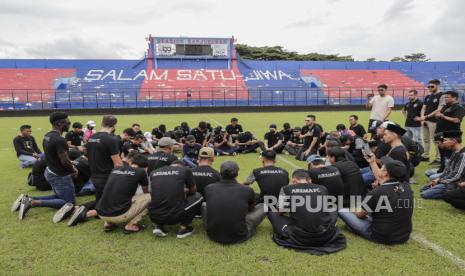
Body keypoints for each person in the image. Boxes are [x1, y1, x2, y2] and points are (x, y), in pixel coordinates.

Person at [61, 115, 122, 227]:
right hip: (107, 176)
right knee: (113, 202)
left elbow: (87, 156)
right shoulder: (111, 139)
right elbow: (118, 163)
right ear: (114, 125)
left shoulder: (92, 137)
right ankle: (88, 216)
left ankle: (75, 209)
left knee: (100, 202)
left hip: (94, 175)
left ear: (102, 123)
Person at [13, 112, 76, 220]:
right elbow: (65, 161)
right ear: (61, 123)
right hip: (59, 175)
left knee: (60, 196)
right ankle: (32, 203)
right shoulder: (60, 140)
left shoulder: (47, 135)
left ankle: (27, 198)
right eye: (68, 121)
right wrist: (73, 170)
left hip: (50, 171)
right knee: (69, 203)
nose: (70, 123)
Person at [267, 169, 346, 255]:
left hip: (299, 236)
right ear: (310, 180)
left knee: (272, 213)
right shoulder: (323, 188)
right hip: (324, 234)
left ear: (293, 180)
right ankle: (329, 225)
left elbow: (280, 211)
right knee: (333, 209)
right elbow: (324, 209)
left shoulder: (286, 189)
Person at [338, 157, 413, 245]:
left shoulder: (377, 192)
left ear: (385, 173)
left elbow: (360, 214)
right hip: (404, 236)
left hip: (381, 237)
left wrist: (360, 205)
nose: (379, 168)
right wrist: (372, 162)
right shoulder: (406, 187)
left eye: (382, 167)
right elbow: (387, 187)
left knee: (341, 209)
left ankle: (351, 227)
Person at [203, 161, 266, 244]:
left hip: (212, 234)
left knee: (204, 205)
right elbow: (251, 209)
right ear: (237, 173)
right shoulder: (247, 190)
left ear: (220, 172)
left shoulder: (209, 188)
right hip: (240, 235)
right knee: (265, 206)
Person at [96, 152, 150, 234]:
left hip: (101, 213)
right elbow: (145, 191)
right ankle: (131, 225)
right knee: (151, 197)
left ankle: (108, 223)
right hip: (119, 215)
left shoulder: (116, 169)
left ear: (130, 162)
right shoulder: (140, 172)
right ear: (145, 167)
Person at [149, 160, 203, 238]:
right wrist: (183, 190)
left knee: (158, 197)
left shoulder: (154, 172)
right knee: (198, 196)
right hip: (175, 216)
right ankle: (184, 228)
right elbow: (193, 191)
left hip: (154, 215)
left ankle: (158, 226)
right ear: (182, 167)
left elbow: (153, 191)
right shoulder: (185, 170)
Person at [420, 131, 465, 199]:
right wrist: (438, 179)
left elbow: (457, 175)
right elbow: (447, 170)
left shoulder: (463, 155)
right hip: (447, 180)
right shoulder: (454, 152)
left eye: (445, 140)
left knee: (424, 194)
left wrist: (440, 181)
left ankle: (451, 193)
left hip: (455, 183)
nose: (443, 142)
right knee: (423, 189)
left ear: (453, 141)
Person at [434, 91, 465, 172]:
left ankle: (448, 173)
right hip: (441, 134)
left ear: (454, 98)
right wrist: (438, 115)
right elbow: (439, 115)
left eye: (447, 97)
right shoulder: (446, 106)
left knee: (449, 156)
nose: (445, 98)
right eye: (445, 97)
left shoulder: (459, 108)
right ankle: (441, 171)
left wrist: (443, 116)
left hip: (451, 136)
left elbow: (457, 120)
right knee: (442, 155)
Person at [418, 79, 444, 163]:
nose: (429, 88)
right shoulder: (428, 96)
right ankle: (426, 156)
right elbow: (423, 108)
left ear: (438, 85)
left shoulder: (442, 96)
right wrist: (422, 117)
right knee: (425, 139)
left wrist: (426, 117)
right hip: (425, 121)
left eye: (432, 86)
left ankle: (438, 158)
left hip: (434, 121)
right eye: (428, 86)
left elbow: (439, 109)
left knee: (436, 140)